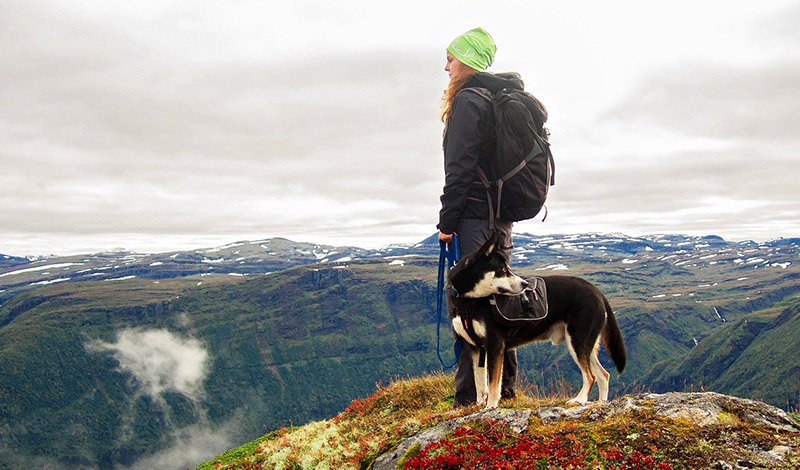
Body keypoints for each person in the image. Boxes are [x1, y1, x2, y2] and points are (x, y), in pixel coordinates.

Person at [437, 27, 525, 406]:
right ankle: (502, 391)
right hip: (499, 218)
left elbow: (459, 169)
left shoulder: (469, 101)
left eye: (451, 59)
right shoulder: (495, 98)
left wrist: (446, 221)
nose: (446, 67)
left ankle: (468, 398)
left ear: (467, 62)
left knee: (470, 304)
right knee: (498, 302)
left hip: (474, 218)